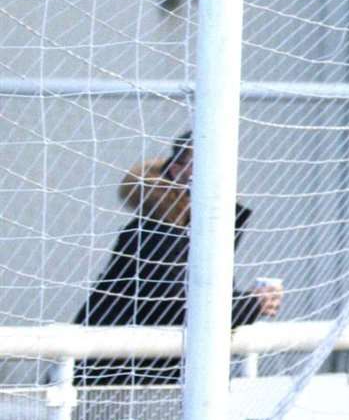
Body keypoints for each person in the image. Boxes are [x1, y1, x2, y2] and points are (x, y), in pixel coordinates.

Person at [74, 132, 284, 385]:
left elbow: (200, 298)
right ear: (176, 171)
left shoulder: (196, 234)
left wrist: (250, 301)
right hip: (115, 387)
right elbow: (183, 307)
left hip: (149, 384)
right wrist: (252, 304)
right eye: (204, 165)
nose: (218, 175)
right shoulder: (155, 233)